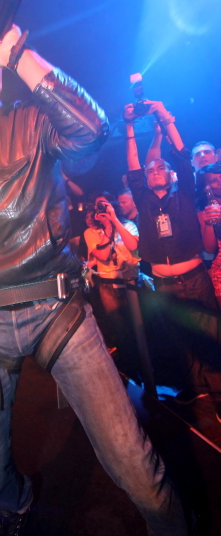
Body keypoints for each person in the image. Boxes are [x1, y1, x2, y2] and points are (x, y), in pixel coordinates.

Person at [0, 0, 191, 536]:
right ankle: (18, 506)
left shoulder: (32, 121)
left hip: (56, 310)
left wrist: (20, 54)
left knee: (136, 468)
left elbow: (92, 132)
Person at [125, 100, 221, 413]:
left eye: (160, 168)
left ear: (172, 174)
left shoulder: (185, 192)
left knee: (210, 338)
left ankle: (219, 394)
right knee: (181, 340)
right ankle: (196, 389)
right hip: (164, 285)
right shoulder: (143, 199)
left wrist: (165, 118)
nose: (154, 172)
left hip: (194, 280)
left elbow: (180, 153)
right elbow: (133, 165)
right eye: (151, 170)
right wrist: (128, 126)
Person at [84, 193, 141, 378]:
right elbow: (102, 256)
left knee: (139, 327)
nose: (102, 210)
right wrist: (107, 227)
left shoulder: (127, 225)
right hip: (108, 285)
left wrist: (114, 221)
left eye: (105, 205)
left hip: (132, 282)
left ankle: (147, 368)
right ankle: (131, 371)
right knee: (120, 330)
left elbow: (133, 247)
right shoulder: (91, 233)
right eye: (98, 206)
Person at [196, 163, 221, 310]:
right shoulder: (204, 213)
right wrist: (209, 223)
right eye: (213, 181)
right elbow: (210, 249)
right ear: (206, 187)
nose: (220, 182)